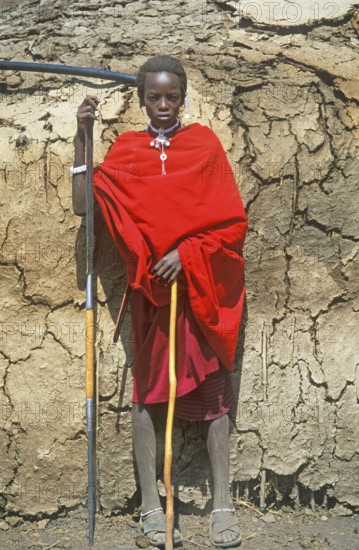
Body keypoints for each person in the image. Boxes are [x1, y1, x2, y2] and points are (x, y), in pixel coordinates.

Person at [72, 55, 247, 548]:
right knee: (147, 396)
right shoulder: (126, 150)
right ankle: (151, 506)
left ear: (184, 96)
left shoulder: (205, 146)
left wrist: (187, 253)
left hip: (202, 292)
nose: (164, 105)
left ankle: (223, 505)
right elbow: (84, 204)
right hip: (152, 294)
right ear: (142, 99)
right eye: (154, 97)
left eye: (172, 96)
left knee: (214, 400)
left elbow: (231, 223)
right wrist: (83, 136)